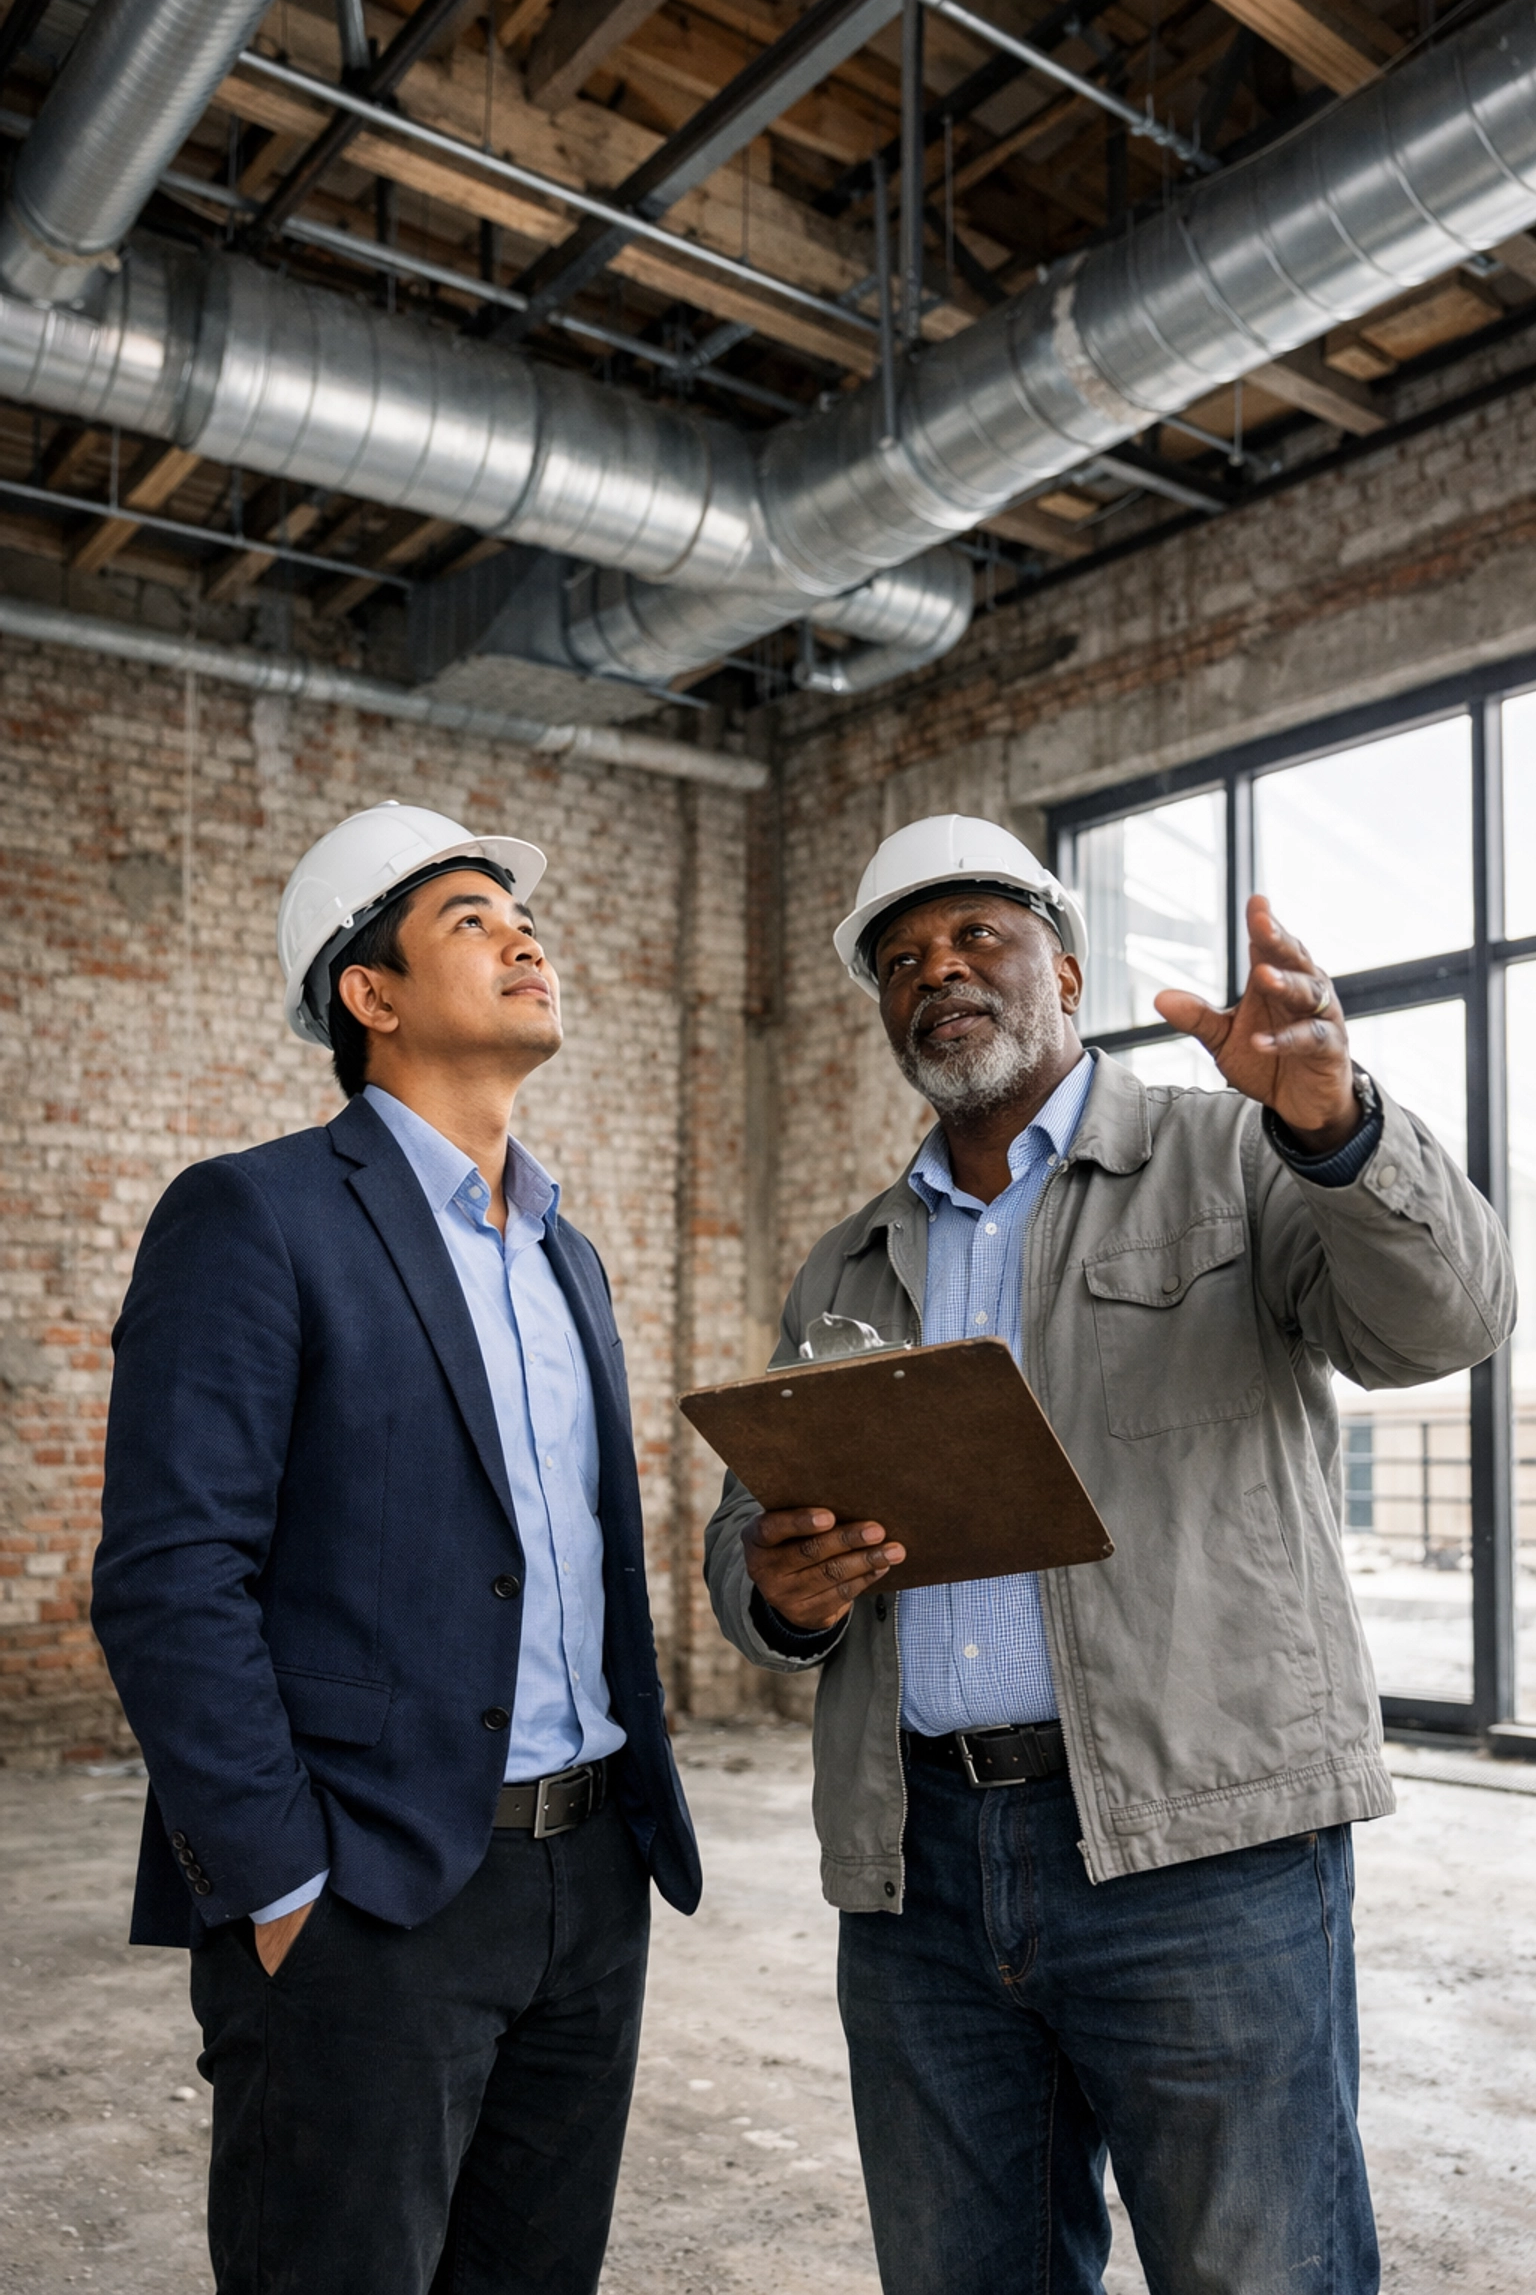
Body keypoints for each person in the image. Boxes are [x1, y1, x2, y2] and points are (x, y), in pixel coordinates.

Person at [704, 813, 1515, 2295]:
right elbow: (746, 1536)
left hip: (1201, 1851)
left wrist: (1338, 1132)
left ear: (1066, 973)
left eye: (977, 939)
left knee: (1257, 2267)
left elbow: (1446, 1325)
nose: (937, 972)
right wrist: (778, 1589)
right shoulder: (850, 1259)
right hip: (924, 1875)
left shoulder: (1240, 1157)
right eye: (902, 961)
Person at [94, 801, 699, 2295]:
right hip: (367, 1896)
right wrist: (285, 1887)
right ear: (369, 996)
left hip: (586, 1886)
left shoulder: (567, 1251)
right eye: (471, 921)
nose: (524, 937)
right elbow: (171, 1580)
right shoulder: (253, 1217)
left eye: (523, 917)